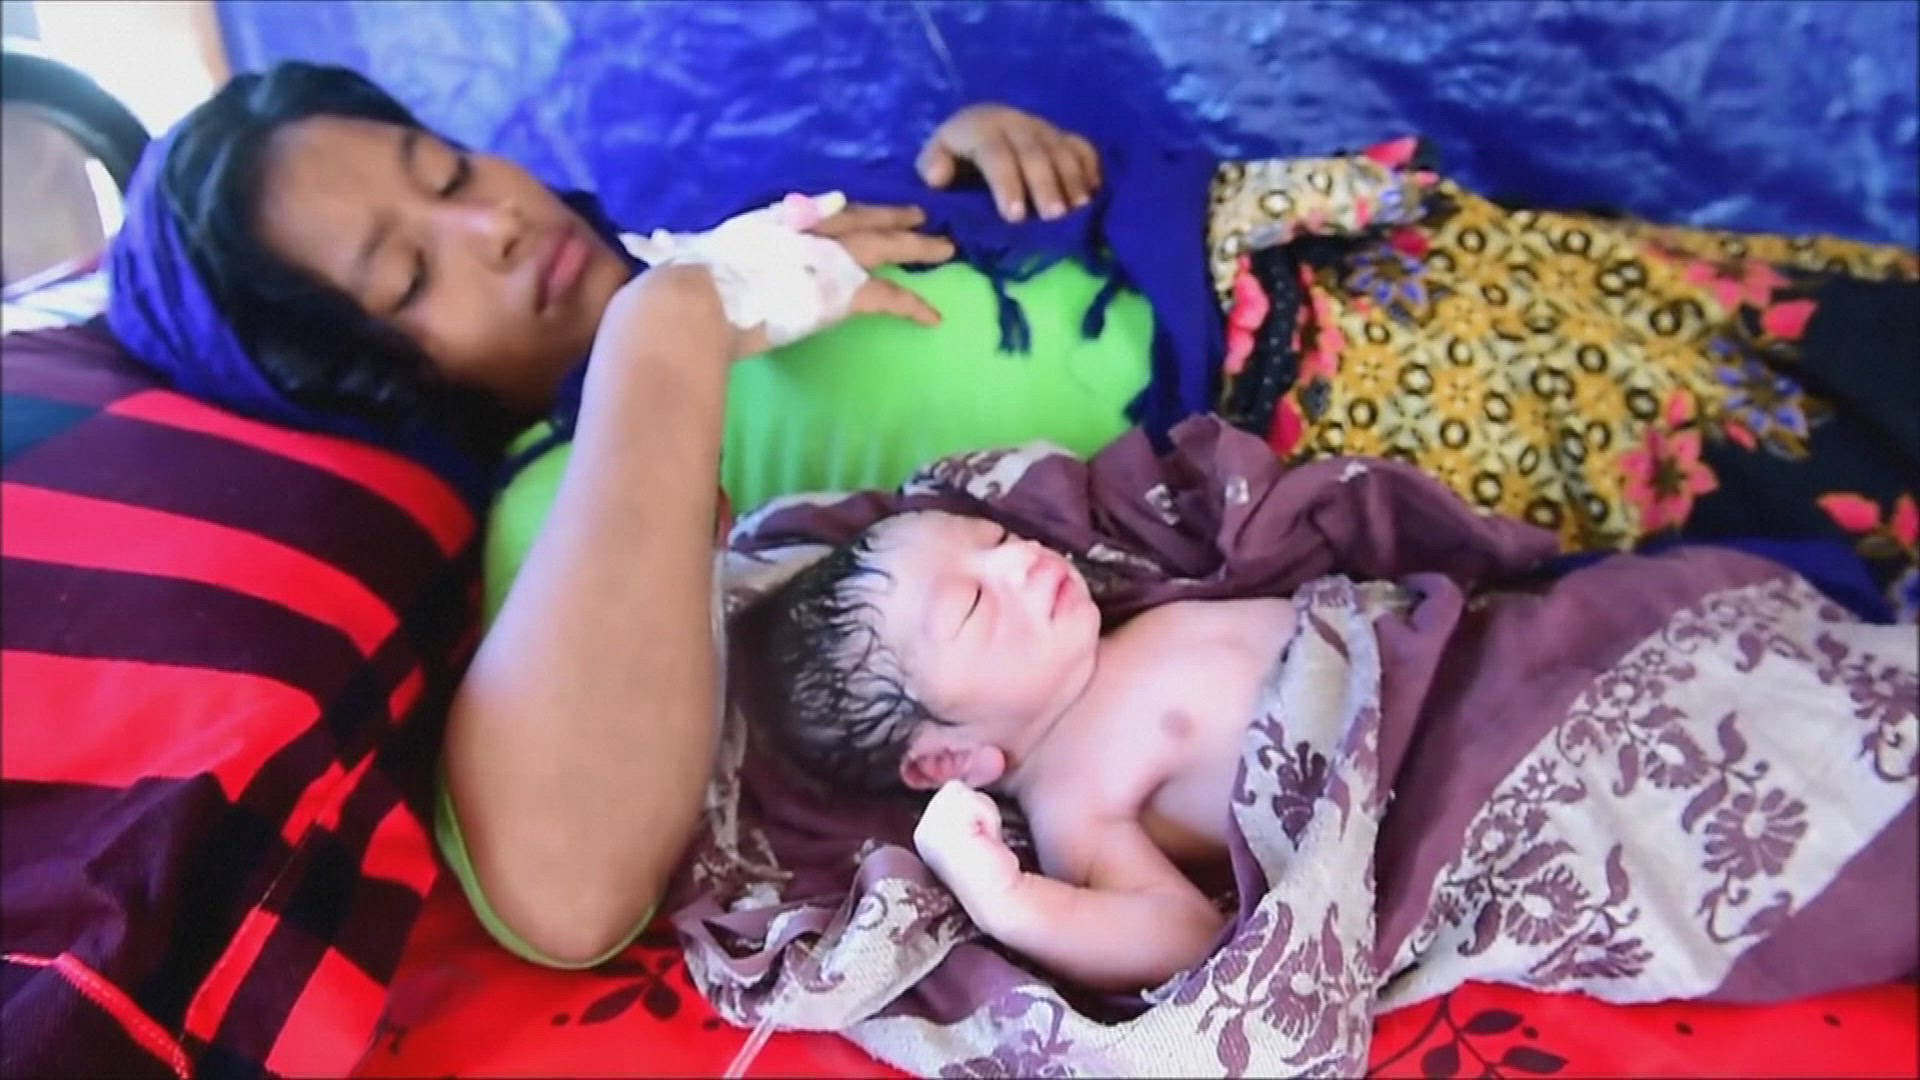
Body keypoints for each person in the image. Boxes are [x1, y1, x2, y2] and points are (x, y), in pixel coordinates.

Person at [104, 61, 1154, 969]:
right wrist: (670, 320)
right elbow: (566, 890)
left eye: (452, 172)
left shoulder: (740, 231)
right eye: (412, 275)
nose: (496, 226)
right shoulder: (573, 487)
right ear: (373, 380)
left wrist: (983, 158)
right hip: (1237, 419)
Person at [748, 508, 1300, 991]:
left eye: (996, 537)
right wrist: (1010, 902)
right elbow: (1185, 936)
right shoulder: (1073, 803)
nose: (1020, 559)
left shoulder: (1127, 615)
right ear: (948, 759)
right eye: (971, 605)